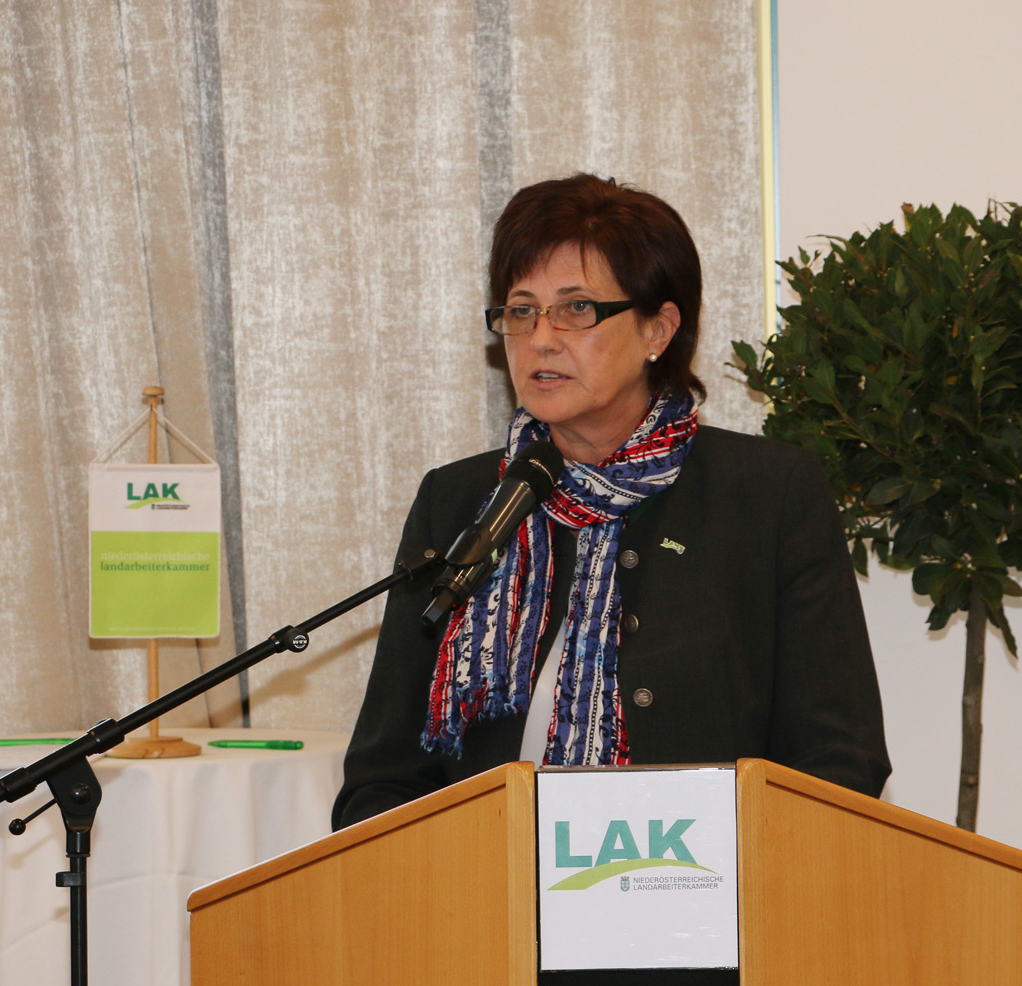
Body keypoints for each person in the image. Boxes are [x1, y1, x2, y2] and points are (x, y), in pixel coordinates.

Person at [331, 174, 889, 830]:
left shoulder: (767, 495)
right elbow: (384, 776)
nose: (541, 338)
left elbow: (838, 758)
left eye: (576, 308)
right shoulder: (459, 502)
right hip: (487, 879)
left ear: (659, 329)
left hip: (699, 879)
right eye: (521, 310)